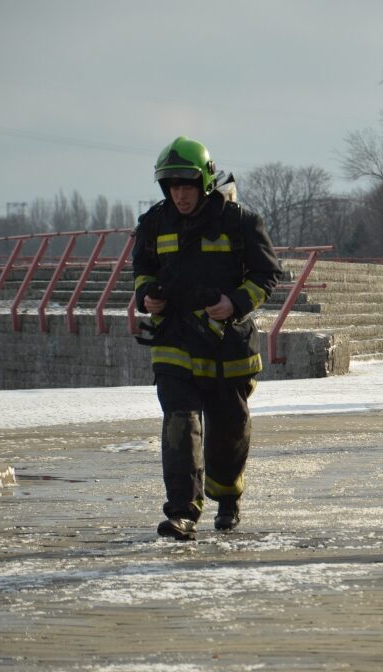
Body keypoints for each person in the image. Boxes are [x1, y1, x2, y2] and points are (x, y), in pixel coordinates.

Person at [132, 136, 282, 540]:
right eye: (173, 187)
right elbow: (142, 272)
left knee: (229, 433)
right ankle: (183, 511)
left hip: (226, 345)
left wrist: (235, 303)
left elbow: (268, 275)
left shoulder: (240, 222)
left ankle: (228, 497)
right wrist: (147, 297)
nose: (181, 195)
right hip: (175, 342)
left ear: (205, 182)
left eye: (188, 186)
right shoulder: (153, 224)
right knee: (179, 425)